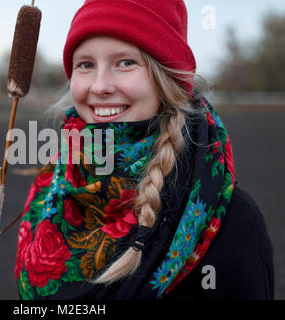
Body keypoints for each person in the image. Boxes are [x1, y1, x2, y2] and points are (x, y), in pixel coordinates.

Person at [14, 0, 274, 300]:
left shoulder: (233, 222)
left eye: (125, 62)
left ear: (168, 78)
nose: (99, 86)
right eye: (86, 64)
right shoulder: (49, 190)